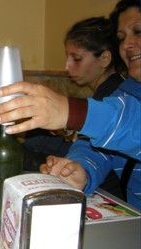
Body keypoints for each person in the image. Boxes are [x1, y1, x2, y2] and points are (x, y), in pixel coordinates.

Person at [0, 0, 141, 209]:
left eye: (138, 32)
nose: (127, 44)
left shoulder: (114, 94)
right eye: (121, 38)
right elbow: (92, 147)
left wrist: (72, 111)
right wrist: (80, 169)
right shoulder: (125, 93)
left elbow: (130, 124)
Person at [22, 17, 126, 174]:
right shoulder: (108, 89)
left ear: (104, 59)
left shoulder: (114, 98)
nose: (66, 66)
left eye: (76, 58)